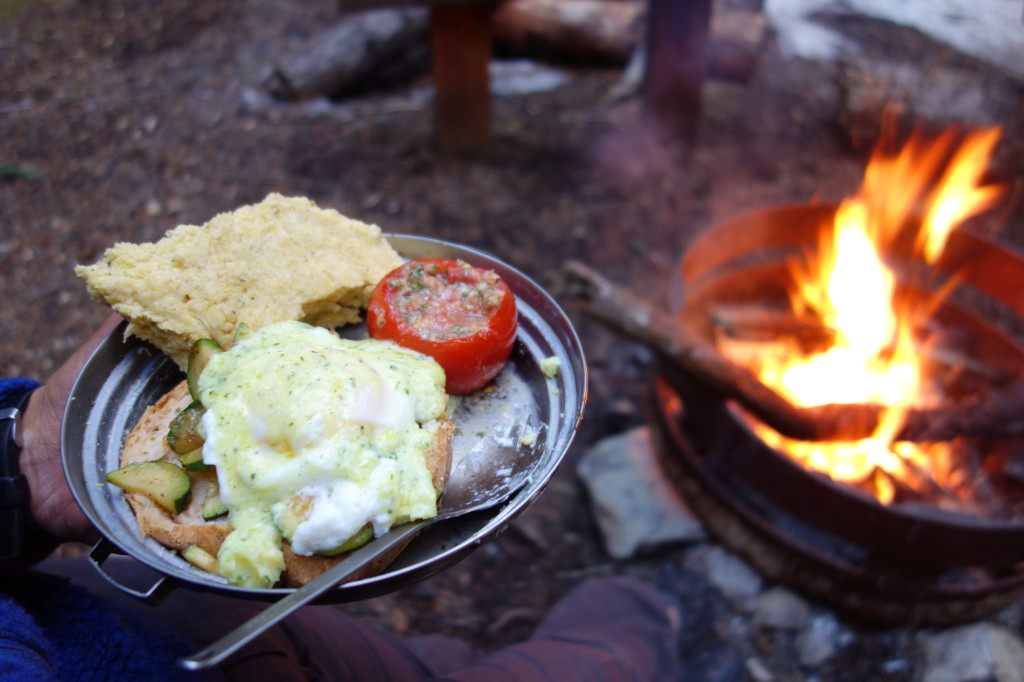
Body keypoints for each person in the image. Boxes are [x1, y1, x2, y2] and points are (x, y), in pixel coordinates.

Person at [0, 315, 740, 681]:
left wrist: (23, 459)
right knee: (613, 647)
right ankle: (650, 617)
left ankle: (448, 658)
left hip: (82, 610)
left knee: (404, 661)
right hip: (142, 651)